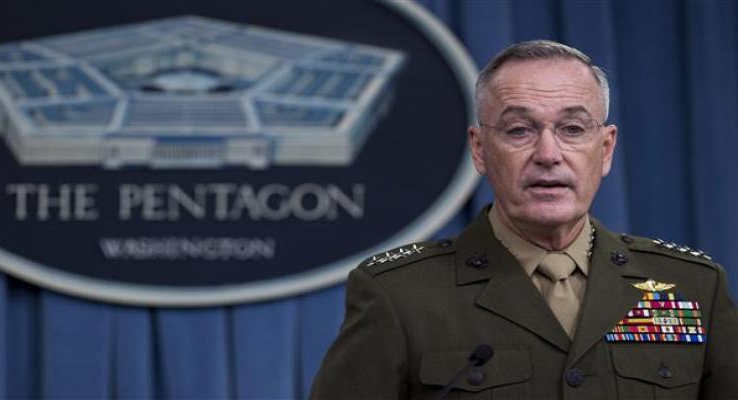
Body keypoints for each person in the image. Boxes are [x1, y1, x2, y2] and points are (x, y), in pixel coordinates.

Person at [310, 40, 738, 399]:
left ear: (605, 149)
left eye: (572, 129)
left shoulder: (693, 286)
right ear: (480, 149)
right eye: (519, 131)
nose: (548, 154)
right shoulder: (399, 295)